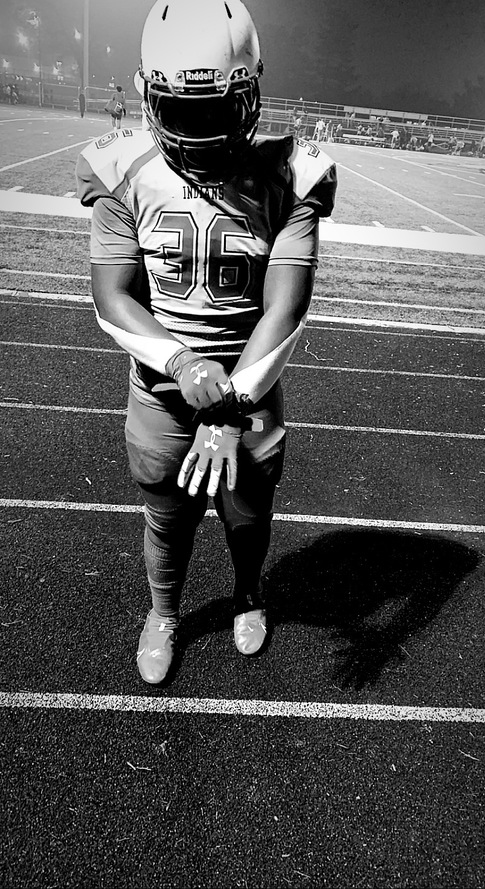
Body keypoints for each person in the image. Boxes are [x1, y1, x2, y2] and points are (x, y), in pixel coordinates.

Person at [76, 0, 337, 685]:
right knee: (168, 517)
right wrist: (184, 364)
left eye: (219, 108)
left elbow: (287, 306)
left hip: (250, 389)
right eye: (182, 111)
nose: (203, 131)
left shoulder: (291, 174)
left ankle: (249, 596)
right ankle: (164, 612)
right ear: (146, 93)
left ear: (251, 91)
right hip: (163, 393)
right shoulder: (122, 168)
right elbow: (112, 297)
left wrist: (228, 403)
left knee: (248, 514)